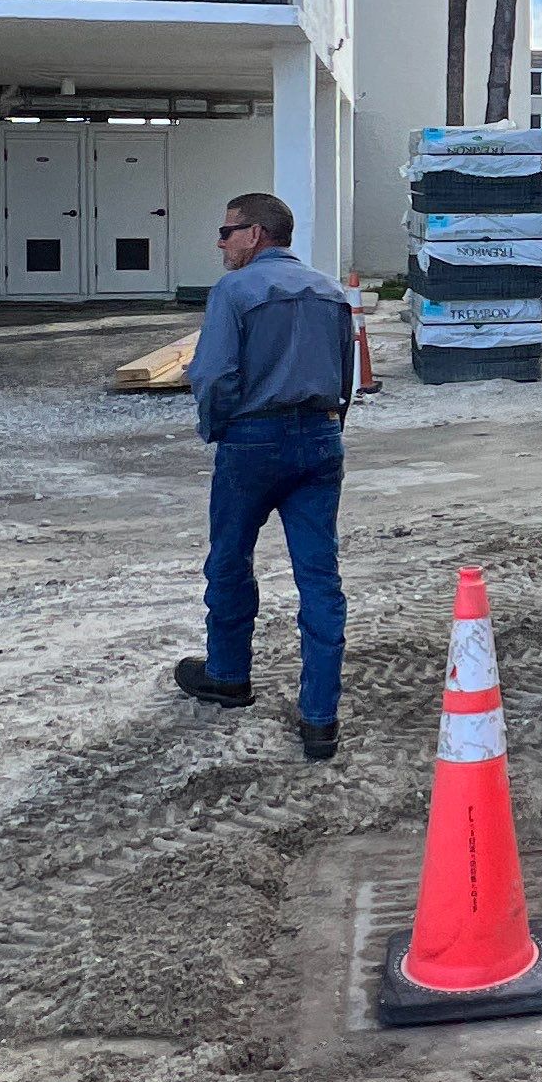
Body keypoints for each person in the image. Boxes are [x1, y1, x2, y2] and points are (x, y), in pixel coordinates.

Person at [175, 190, 355, 760]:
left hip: (254, 440)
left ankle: (229, 675)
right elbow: (345, 379)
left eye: (227, 231)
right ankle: (320, 719)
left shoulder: (235, 291)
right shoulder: (330, 291)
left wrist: (220, 427)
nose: (221, 242)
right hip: (320, 439)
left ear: (256, 234)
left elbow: (214, 375)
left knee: (230, 560)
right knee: (320, 578)